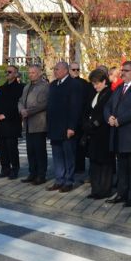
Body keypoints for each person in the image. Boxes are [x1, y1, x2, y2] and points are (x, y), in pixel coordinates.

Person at [104, 61, 131, 207]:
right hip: (118, 135)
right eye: (122, 70)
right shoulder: (119, 88)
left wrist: (119, 120)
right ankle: (122, 194)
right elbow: (108, 105)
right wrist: (109, 117)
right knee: (122, 167)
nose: (123, 73)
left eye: (127, 71)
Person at [46, 62, 83, 191]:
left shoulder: (74, 84)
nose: (55, 71)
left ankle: (68, 181)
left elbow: (75, 108)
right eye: (54, 69)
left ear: (65, 70)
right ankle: (59, 179)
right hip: (54, 127)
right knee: (57, 155)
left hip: (67, 127)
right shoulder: (53, 85)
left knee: (68, 155)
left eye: (57, 69)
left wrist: (72, 127)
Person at [82, 69, 114, 199]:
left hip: (103, 133)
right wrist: (86, 123)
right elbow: (87, 109)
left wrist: (95, 123)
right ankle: (95, 189)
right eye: (93, 84)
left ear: (104, 81)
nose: (95, 86)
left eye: (97, 83)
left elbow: (105, 112)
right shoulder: (95, 94)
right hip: (93, 133)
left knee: (105, 163)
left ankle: (104, 190)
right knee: (94, 162)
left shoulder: (109, 94)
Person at [18, 64, 49, 185]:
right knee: (30, 150)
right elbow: (20, 101)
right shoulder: (27, 86)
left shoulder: (45, 87)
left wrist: (28, 111)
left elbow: (44, 103)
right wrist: (21, 110)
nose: (30, 75)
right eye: (29, 72)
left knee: (40, 151)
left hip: (39, 124)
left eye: (33, 72)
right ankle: (32, 173)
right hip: (28, 124)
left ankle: (41, 175)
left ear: (40, 73)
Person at [0, 66, 24, 179]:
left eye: (10, 72)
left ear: (16, 74)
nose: (7, 73)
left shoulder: (20, 88)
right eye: (6, 72)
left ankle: (15, 169)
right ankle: (5, 169)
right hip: (0, 123)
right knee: (2, 148)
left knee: (12, 148)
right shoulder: (1, 88)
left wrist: (5, 115)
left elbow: (18, 105)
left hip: (12, 123)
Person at [69, 62, 91, 176]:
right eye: (73, 69)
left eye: (78, 69)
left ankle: (79, 167)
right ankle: (70, 166)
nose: (76, 71)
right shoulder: (66, 83)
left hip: (81, 119)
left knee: (80, 145)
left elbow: (88, 101)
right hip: (69, 119)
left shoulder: (84, 83)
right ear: (69, 70)